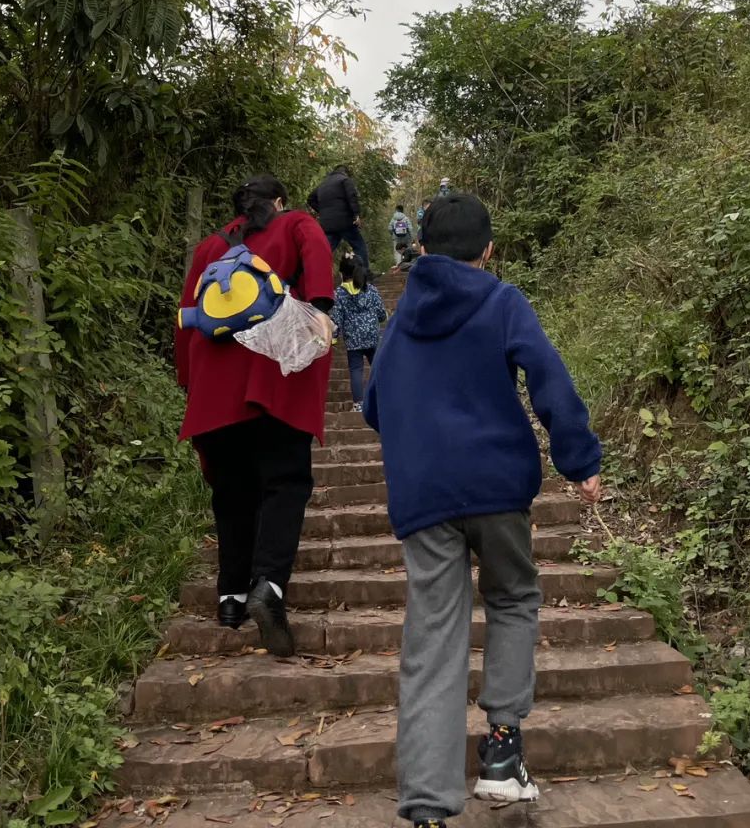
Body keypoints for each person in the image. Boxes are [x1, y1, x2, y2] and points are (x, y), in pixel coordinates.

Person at [363, 193, 601, 825]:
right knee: (515, 597)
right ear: (488, 250)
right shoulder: (502, 302)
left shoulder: (400, 319)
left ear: (421, 250)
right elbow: (549, 378)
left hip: (425, 498)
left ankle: (427, 809)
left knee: (433, 640)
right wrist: (579, 460)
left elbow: (373, 404)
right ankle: (501, 756)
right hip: (497, 487)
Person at [175, 175, 335, 656]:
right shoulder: (295, 224)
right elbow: (318, 256)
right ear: (279, 201)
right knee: (284, 483)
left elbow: (188, 318)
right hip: (273, 388)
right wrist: (323, 309)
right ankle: (270, 586)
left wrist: (191, 384)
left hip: (213, 397)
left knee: (232, 493)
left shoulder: (209, 249)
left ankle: (230, 597)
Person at [330, 252, 388, 411]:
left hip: (353, 338)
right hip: (372, 335)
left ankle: (359, 404)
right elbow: (381, 313)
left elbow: (336, 318)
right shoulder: (371, 290)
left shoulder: (339, 294)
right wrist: (382, 318)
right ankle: (385, 397)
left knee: (356, 370)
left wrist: (333, 338)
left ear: (342, 273)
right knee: (378, 366)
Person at [308, 164, 371, 266]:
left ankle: (313, 272)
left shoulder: (323, 184)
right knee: (359, 245)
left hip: (328, 225)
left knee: (325, 250)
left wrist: (322, 211)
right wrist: (356, 215)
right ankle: (365, 273)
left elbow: (310, 199)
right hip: (345, 222)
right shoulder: (345, 180)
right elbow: (352, 197)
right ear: (345, 172)